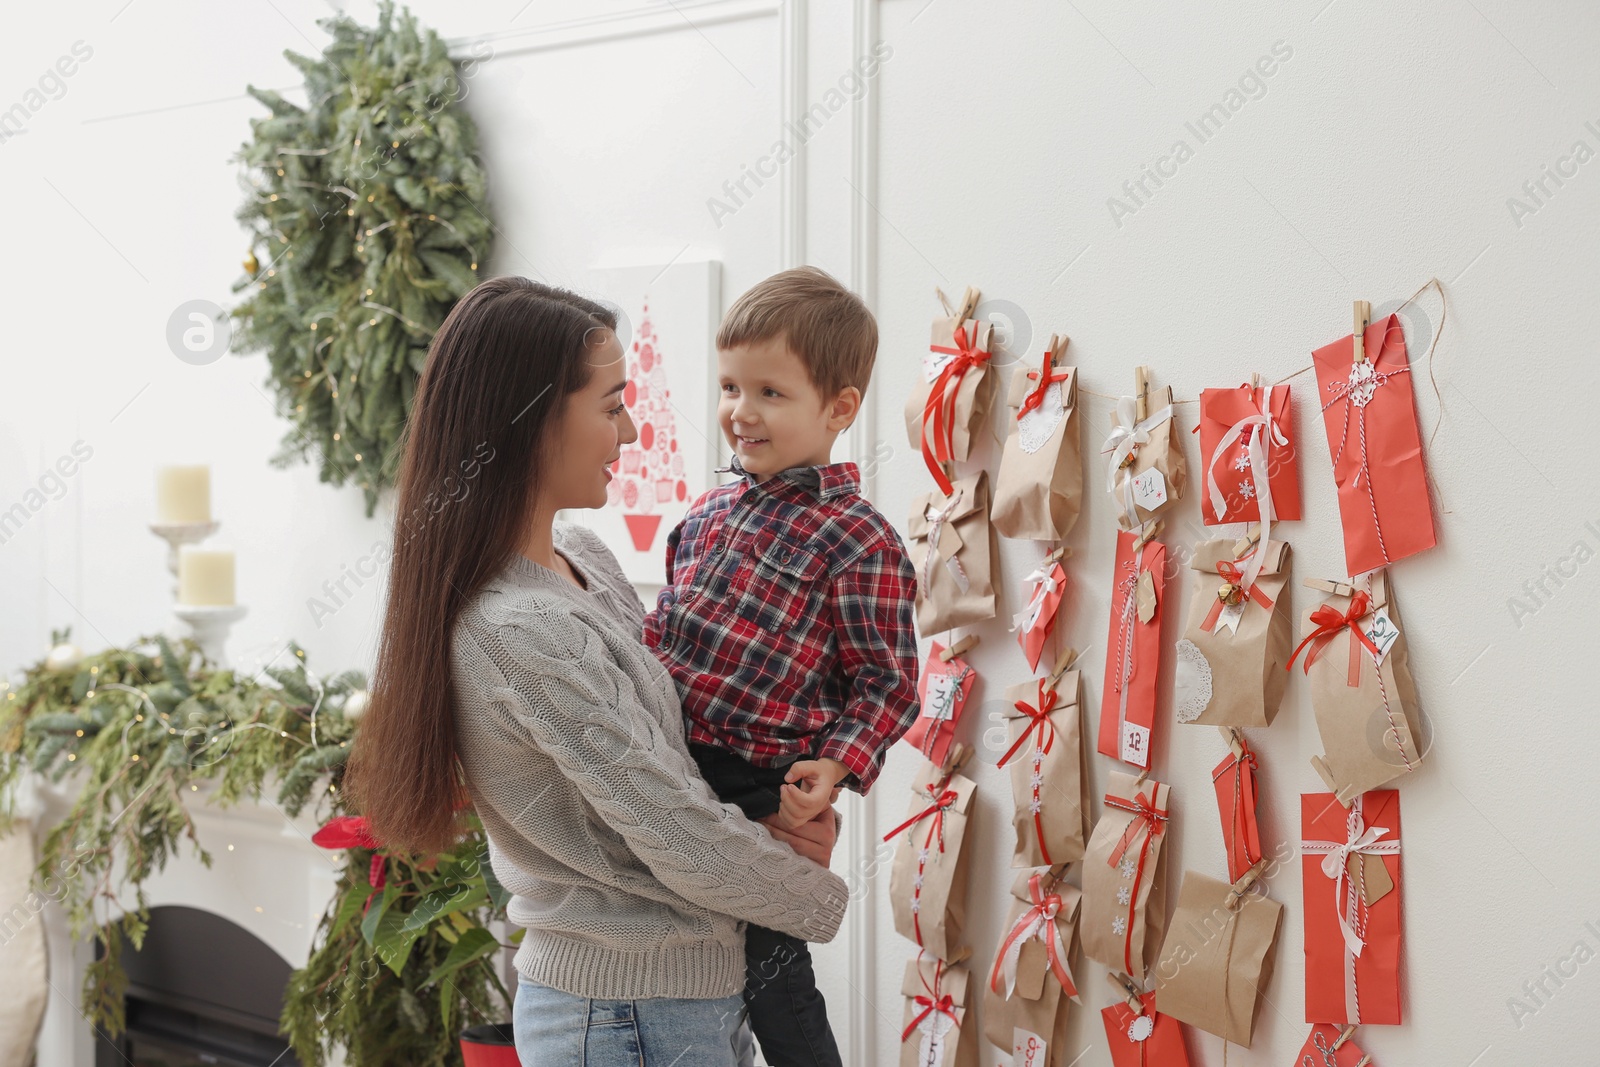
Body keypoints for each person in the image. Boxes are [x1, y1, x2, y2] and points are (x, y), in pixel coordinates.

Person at [344, 276, 849, 1067]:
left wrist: (777, 823)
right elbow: (677, 830)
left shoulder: (586, 562)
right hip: (624, 1017)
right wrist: (810, 881)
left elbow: (665, 774)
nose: (633, 431)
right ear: (531, 422)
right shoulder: (519, 630)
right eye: (611, 405)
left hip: (674, 1004)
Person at [644, 267, 921, 1067]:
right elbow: (667, 632)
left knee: (773, 973)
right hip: (669, 755)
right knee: (681, 934)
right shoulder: (703, 516)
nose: (740, 411)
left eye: (769, 391)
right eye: (731, 386)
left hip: (756, 777)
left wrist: (834, 766)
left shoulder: (857, 538)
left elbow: (887, 682)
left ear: (839, 408)